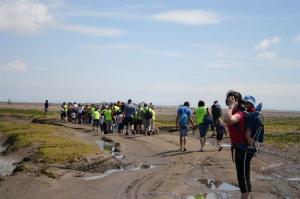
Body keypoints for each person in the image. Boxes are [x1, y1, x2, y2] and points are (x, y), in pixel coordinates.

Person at [225, 90, 254, 199]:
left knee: (243, 178)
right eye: (229, 99)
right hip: (240, 148)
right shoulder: (233, 111)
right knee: (243, 177)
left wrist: (230, 107)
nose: (230, 101)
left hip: (243, 149)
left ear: (238, 101)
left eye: (233, 99)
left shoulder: (239, 113)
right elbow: (226, 119)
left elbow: (229, 119)